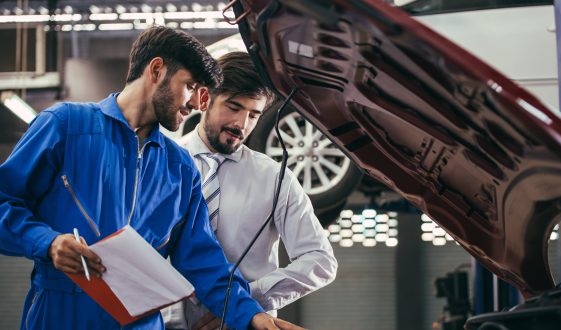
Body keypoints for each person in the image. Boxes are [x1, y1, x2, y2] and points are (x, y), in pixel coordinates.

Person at [0, 26, 302, 330]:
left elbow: (203, 260)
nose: (198, 104)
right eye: (191, 86)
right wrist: (48, 243)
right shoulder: (66, 126)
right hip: (61, 316)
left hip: (141, 322)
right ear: (157, 70)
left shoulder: (180, 167)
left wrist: (251, 315)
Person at [165, 52, 338, 330]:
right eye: (233, 107)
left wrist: (243, 300)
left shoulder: (275, 178)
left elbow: (320, 260)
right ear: (205, 98)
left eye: (253, 115)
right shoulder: (162, 164)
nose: (241, 125)